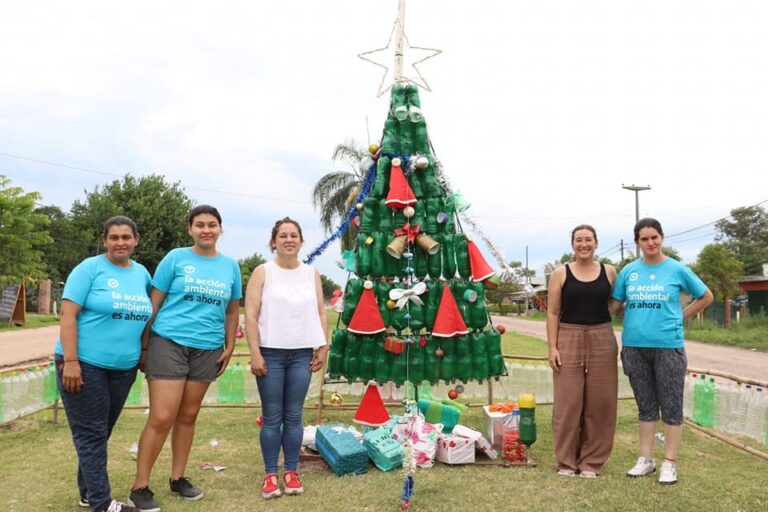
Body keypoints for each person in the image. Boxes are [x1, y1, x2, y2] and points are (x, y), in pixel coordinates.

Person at [128, 205, 242, 511]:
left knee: (188, 416)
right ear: (190, 229)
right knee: (162, 416)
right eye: (200, 225)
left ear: (221, 229)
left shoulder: (230, 266)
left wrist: (229, 346)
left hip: (207, 348)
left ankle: (178, 478)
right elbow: (154, 302)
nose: (206, 230)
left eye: (212, 225)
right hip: (169, 342)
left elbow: (232, 310)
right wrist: (144, 343)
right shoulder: (176, 258)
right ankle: (139, 487)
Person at [56, 216, 151, 512]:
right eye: (114, 237)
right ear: (104, 240)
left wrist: (144, 350)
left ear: (136, 239)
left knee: (100, 432)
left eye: (126, 237)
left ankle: (87, 492)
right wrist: (71, 361)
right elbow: (67, 315)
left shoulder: (142, 274)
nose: (120, 242)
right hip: (83, 364)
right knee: (91, 434)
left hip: (123, 368)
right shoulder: (89, 269)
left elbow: (148, 314)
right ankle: (101, 503)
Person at [612, 218, 713, 485]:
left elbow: (706, 296)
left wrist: (681, 316)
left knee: (671, 406)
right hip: (634, 347)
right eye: (644, 239)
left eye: (654, 237)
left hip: (668, 347)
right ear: (637, 243)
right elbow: (614, 305)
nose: (650, 243)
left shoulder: (677, 269)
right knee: (645, 406)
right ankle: (646, 460)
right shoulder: (628, 272)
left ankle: (669, 462)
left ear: (662, 237)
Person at [244, 217, 329, 499]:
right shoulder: (263, 272)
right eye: (283, 235)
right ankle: (270, 475)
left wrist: (322, 346)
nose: (289, 239)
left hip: (302, 353)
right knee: (272, 417)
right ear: (274, 242)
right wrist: (255, 353)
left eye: (294, 235)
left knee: (294, 416)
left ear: (301, 241)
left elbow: (319, 312)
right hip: (270, 353)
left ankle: (291, 472)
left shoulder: (311, 273)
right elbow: (252, 315)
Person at [547, 225, 619, 478]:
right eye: (579, 240)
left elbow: (616, 305)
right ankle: (566, 462)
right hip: (568, 336)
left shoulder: (609, 272)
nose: (584, 244)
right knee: (569, 402)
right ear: (572, 244)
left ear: (596, 243)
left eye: (588, 239)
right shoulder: (560, 273)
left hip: (602, 336)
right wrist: (553, 347)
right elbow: (553, 312)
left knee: (601, 403)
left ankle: (591, 462)